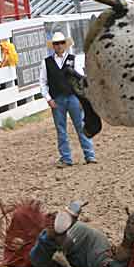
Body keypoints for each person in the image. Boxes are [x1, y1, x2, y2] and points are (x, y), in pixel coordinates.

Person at [39, 32, 96, 167]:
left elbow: (80, 79)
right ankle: (66, 158)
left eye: (61, 43)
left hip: (73, 97)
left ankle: (90, 155)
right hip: (57, 99)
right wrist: (48, 98)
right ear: (53, 46)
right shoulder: (46, 62)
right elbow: (42, 82)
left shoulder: (74, 59)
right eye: (56, 44)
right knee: (61, 129)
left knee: (80, 126)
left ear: (65, 44)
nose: (59, 46)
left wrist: (82, 98)